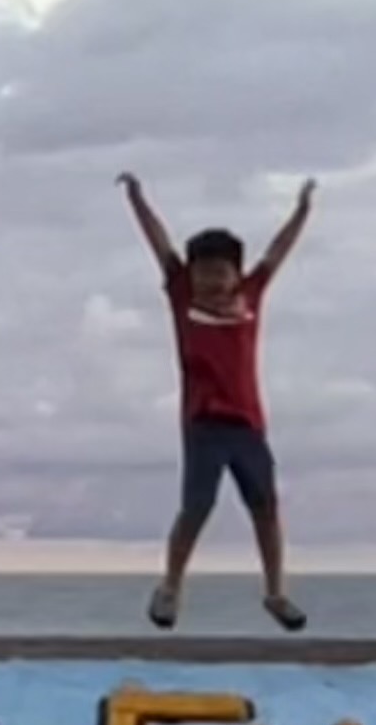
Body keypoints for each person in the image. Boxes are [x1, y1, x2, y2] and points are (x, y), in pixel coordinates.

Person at [119, 171, 314, 632]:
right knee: (197, 507)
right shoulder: (182, 294)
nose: (210, 281)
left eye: (219, 272)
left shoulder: (251, 295)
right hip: (203, 424)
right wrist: (138, 198)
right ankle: (170, 588)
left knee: (265, 506)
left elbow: (277, 251)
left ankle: (275, 593)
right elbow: (160, 244)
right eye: (202, 272)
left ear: (235, 273)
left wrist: (302, 210)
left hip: (248, 424)